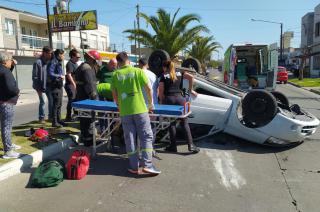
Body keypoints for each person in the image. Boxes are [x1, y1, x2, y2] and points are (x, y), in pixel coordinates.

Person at [111, 52, 160, 175]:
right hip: (140, 110)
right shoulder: (138, 71)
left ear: (118, 62)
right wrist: (150, 104)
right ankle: (147, 165)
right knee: (146, 137)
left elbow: (114, 94)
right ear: (128, 60)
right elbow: (149, 88)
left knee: (130, 139)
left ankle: (134, 167)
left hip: (125, 112)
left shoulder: (115, 75)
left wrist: (119, 105)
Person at [158, 60, 200, 153]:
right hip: (180, 99)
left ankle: (173, 146)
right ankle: (191, 146)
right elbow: (191, 77)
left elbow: (161, 90)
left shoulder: (163, 76)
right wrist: (190, 89)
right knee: (184, 123)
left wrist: (161, 101)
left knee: (171, 123)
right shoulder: (180, 73)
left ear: (165, 67)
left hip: (169, 100)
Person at [75, 50, 101, 146]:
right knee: (89, 119)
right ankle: (89, 140)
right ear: (91, 59)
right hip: (87, 98)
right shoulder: (87, 68)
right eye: (95, 60)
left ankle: (86, 138)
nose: (96, 62)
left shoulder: (81, 66)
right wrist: (94, 98)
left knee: (84, 119)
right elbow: (90, 84)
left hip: (81, 96)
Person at [0, 52, 21, 159]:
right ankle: (8, 151)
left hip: (3, 101)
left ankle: (8, 144)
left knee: (6, 126)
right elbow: (10, 88)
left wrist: (12, 65)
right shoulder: (4, 71)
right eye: (10, 60)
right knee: (6, 127)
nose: (11, 61)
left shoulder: (2, 70)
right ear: (5, 61)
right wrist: (17, 91)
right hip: (7, 102)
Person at [138, 58, 158, 156]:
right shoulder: (153, 75)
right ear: (147, 64)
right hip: (153, 105)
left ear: (139, 64)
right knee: (152, 128)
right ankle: (151, 148)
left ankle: (142, 150)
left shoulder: (137, 73)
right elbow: (156, 90)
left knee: (141, 129)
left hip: (141, 105)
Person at [32, 46, 53, 123]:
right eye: (49, 53)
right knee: (43, 101)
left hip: (48, 85)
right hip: (40, 86)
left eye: (51, 53)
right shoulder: (38, 62)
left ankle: (50, 116)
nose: (51, 55)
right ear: (44, 53)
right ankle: (41, 118)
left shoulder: (49, 61)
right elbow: (35, 77)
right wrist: (38, 88)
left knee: (51, 100)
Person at [48, 49, 66, 128]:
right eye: (63, 55)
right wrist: (59, 76)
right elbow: (50, 73)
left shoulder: (58, 62)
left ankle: (59, 120)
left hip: (59, 85)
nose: (63, 56)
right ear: (59, 54)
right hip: (55, 86)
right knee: (56, 104)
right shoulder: (53, 62)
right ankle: (54, 122)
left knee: (59, 104)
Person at [64, 49, 80, 122]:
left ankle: (76, 114)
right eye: (77, 57)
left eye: (79, 57)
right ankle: (68, 117)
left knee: (75, 100)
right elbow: (69, 74)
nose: (78, 58)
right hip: (70, 85)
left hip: (74, 84)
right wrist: (74, 83)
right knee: (72, 100)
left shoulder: (75, 63)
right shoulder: (69, 63)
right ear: (73, 56)